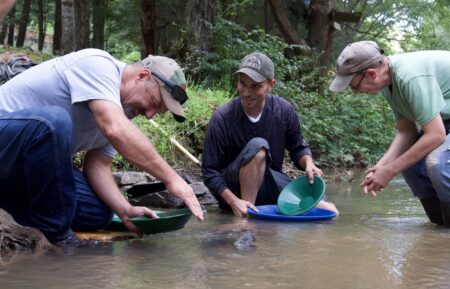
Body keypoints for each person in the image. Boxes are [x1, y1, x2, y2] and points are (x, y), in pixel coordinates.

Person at [0, 48, 204, 243]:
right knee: (54, 122)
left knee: (97, 213)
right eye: (153, 102)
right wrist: (171, 178)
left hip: (23, 167)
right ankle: (57, 238)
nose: (149, 115)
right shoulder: (98, 64)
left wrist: (125, 210)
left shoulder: (122, 113)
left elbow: (98, 166)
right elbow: (114, 128)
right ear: (142, 76)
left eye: (157, 112)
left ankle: (11, 209)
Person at [201, 52, 338, 217]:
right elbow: (210, 172)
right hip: (233, 190)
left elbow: (298, 149)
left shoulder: (283, 111)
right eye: (242, 84)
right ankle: (246, 219)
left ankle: (256, 214)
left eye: (255, 86)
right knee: (258, 147)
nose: (246, 92)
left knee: (329, 211)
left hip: (269, 182)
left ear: (270, 85)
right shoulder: (222, 117)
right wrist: (233, 201)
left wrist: (309, 164)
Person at [329, 40, 450, 226]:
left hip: (441, 126)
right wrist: (382, 167)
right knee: (409, 165)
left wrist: (390, 171)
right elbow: (405, 132)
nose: (355, 92)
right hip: (445, 120)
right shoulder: (388, 83)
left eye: (353, 86)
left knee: (436, 164)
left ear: (371, 73)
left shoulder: (409, 77)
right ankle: (440, 231)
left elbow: (435, 135)